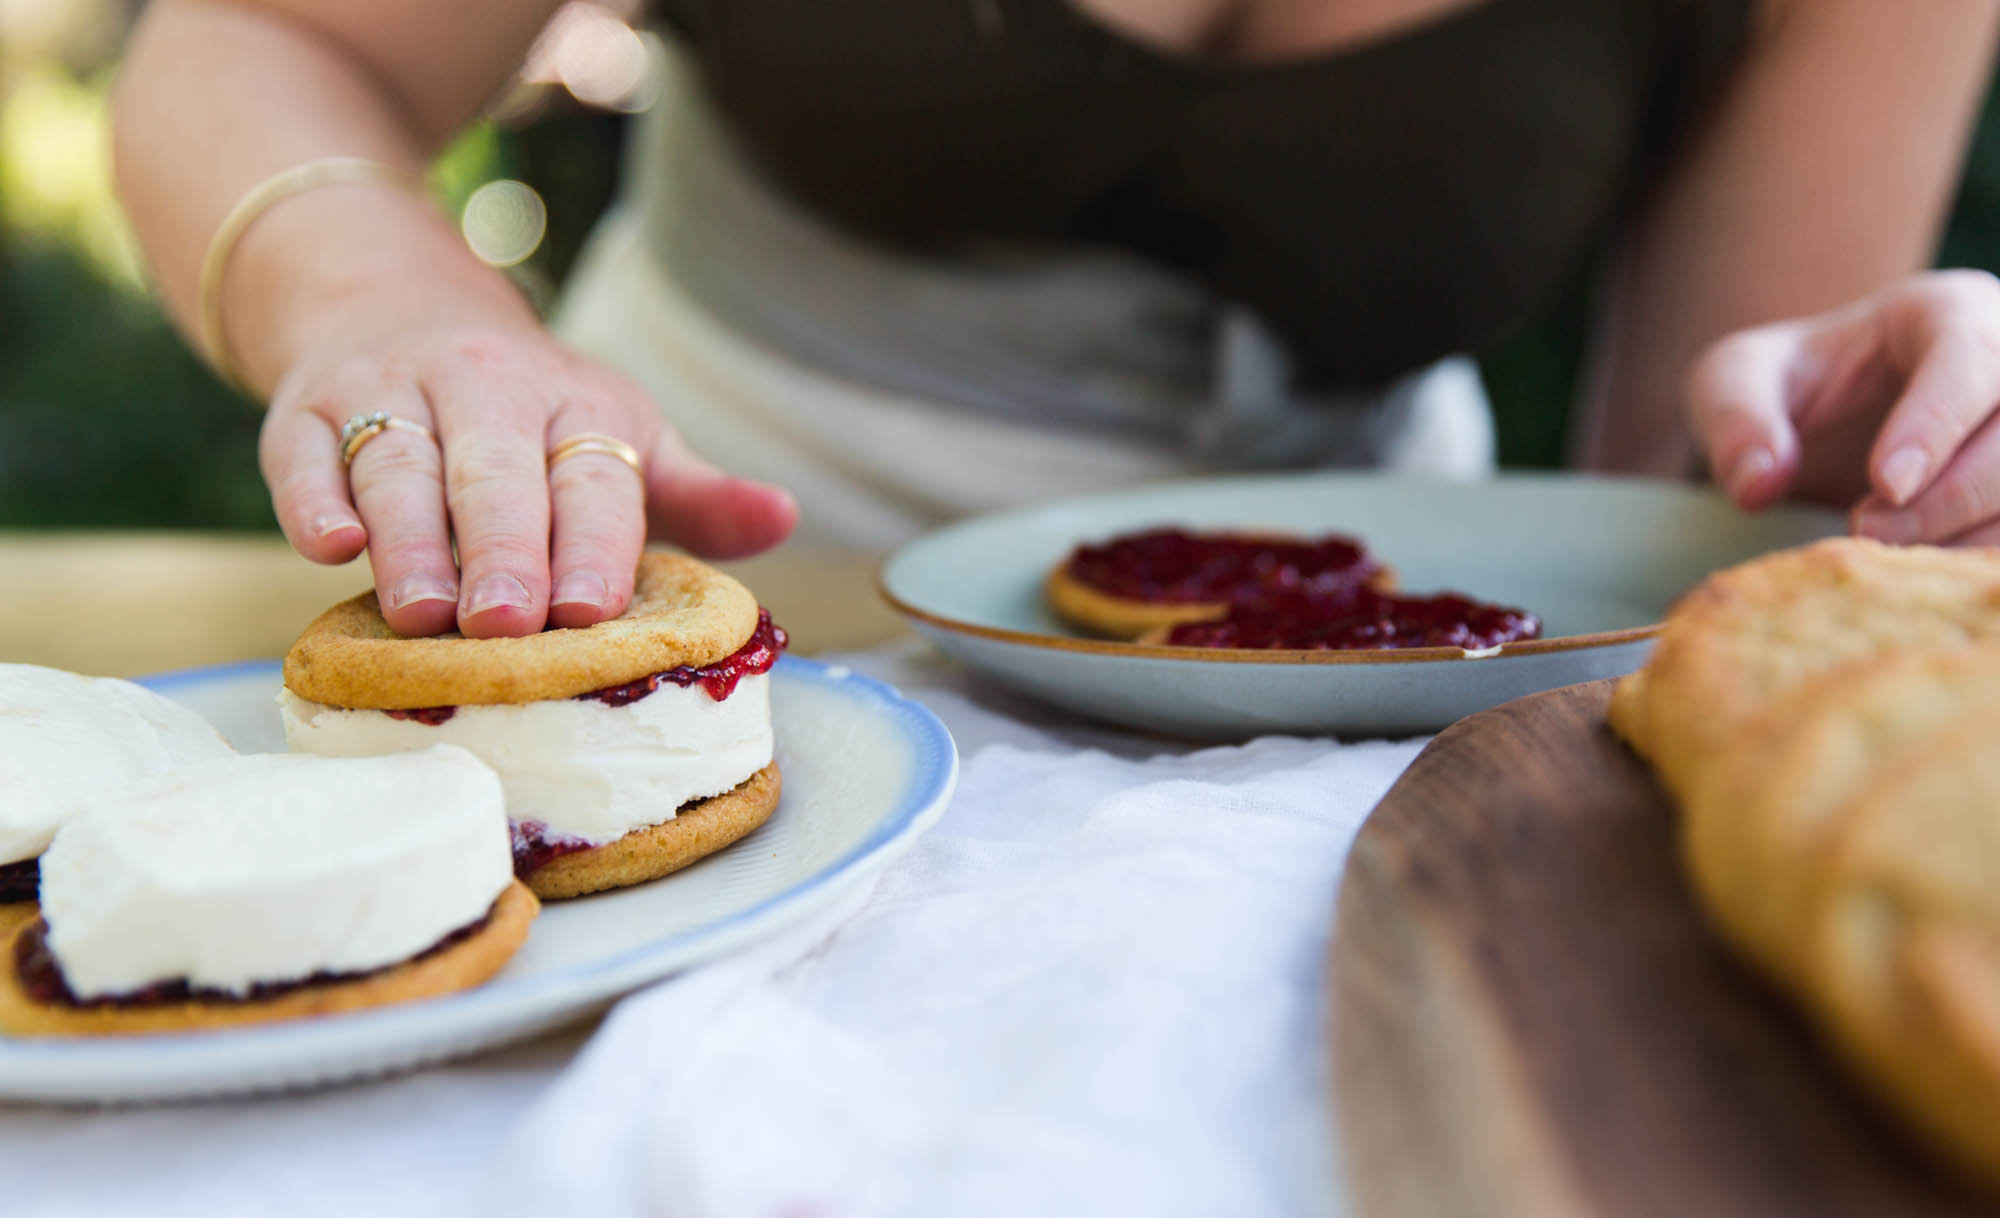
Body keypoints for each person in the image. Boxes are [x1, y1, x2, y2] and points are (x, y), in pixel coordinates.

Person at [112, 0, 2000, 640]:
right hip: (697, 611)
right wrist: (387, 304)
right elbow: (273, 41)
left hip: (1358, 701)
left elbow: (1702, 510)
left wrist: (1884, 439)